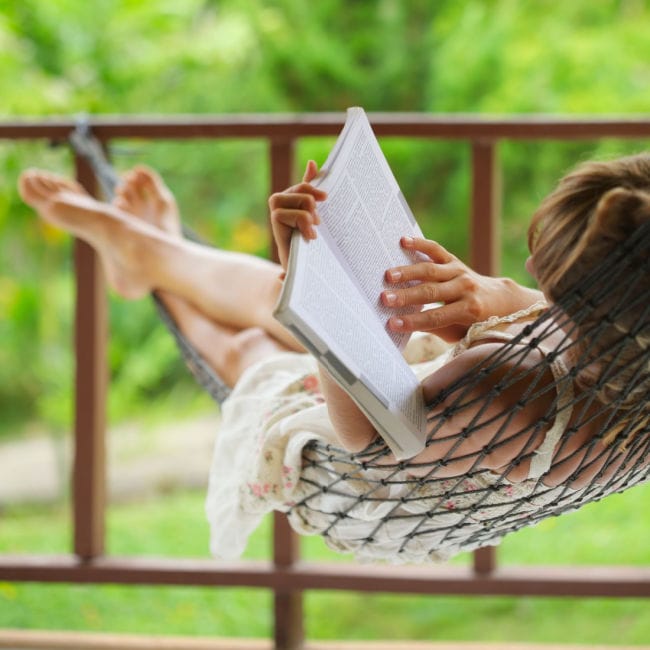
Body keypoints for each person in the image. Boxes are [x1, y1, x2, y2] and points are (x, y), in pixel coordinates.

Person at [17, 153, 649, 562]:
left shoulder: (508, 385)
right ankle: (151, 253)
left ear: (593, 305)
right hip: (455, 418)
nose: (532, 264)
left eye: (550, 271)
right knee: (277, 296)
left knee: (252, 348)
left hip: (373, 480)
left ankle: (144, 265)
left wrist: (316, 293)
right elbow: (548, 319)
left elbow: (365, 437)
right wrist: (498, 299)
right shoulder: (628, 350)